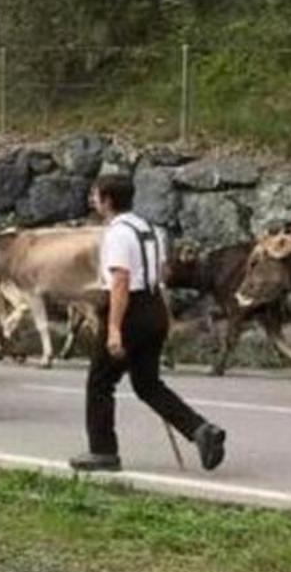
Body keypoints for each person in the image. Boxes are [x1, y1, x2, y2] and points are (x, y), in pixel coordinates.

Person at [71, 172, 226, 474]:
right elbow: (160, 274)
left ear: (107, 200)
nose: (93, 200)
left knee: (100, 383)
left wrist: (114, 328)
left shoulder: (117, 233)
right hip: (153, 306)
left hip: (129, 309)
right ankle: (200, 430)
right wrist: (164, 315)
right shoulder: (148, 229)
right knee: (147, 384)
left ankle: (103, 451)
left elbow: (120, 280)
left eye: (96, 195)